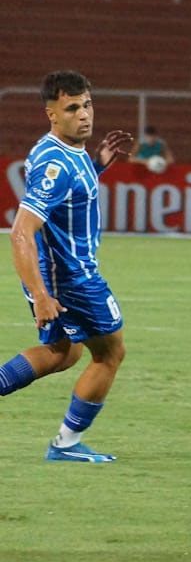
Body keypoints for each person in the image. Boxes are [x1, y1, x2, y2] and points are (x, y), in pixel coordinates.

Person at [2, 70, 133, 462]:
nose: (84, 115)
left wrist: (98, 166)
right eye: (72, 108)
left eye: (87, 105)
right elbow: (20, 232)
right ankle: (66, 444)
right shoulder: (55, 166)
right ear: (52, 114)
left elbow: (69, 197)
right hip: (71, 278)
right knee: (110, 354)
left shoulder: (63, 153)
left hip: (56, 274)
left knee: (64, 352)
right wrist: (42, 296)